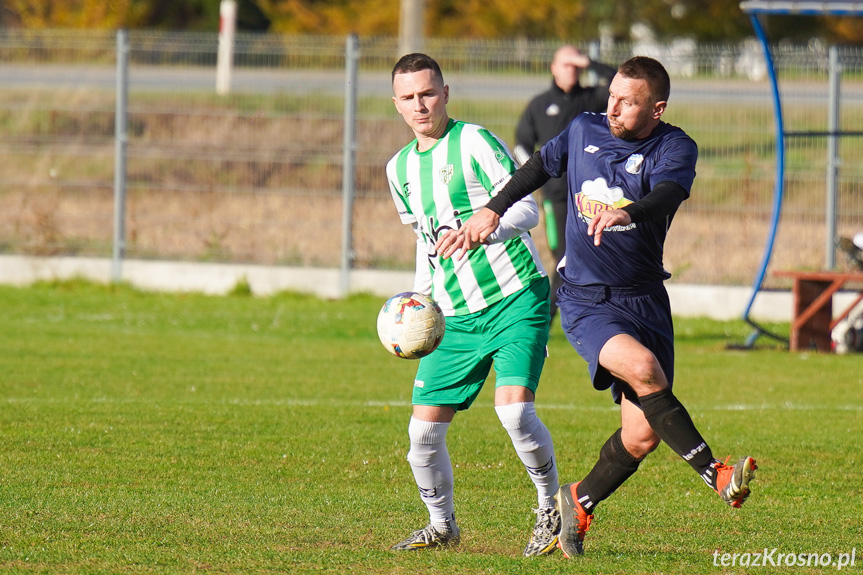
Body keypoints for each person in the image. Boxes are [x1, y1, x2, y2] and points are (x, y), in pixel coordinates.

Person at [438, 56, 758, 558]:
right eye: (611, 96)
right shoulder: (584, 126)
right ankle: (715, 473)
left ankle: (578, 502)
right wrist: (492, 208)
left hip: (646, 299)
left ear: (657, 108)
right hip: (586, 298)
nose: (611, 108)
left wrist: (625, 212)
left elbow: (670, 192)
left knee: (641, 435)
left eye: (627, 102)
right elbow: (541, 165)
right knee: (642, 367)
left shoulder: (675, 146)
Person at [384, 53, 561, 556]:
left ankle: (552, 508)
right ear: (396, 104)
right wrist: (419, 303)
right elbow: (426, 241)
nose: (420, 104)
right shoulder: (398, 168)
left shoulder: (475, 141)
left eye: (428, 92)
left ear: (445, 92)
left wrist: (487, 227)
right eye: (409, 97)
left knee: (514, 415)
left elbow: (527, 206)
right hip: (452, 316)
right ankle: (442, 527)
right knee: (421, 433)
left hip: (514, 297)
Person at [514, 45, 616, 322]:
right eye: (565, 64)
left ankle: (589, 315)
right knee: (563, 256)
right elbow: (522, 144)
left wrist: (588, 61)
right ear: (553, 68)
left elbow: (620, 81)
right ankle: (544, 317)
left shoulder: (592, 99)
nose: (571, 69)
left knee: (594, 253)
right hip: (556, 195)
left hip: (592, 194)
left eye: (575, 65)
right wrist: (536, 175)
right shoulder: (539, 104)